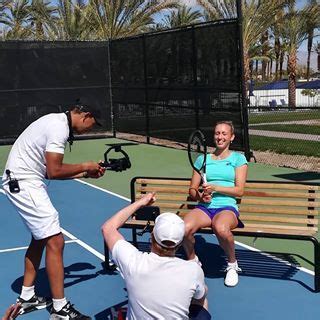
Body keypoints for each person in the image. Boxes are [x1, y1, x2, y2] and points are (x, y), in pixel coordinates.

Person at [2, 105, 106, 319]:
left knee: (41, 238)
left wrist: (86, 174)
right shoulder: (59, 128)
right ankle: (60, 310)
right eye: (92, 124)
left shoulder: (56, 122)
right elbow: (54, 170)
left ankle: (28, 296)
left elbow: (50, 173)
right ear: (86, 115)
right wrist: (86, 164)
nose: (90, 129)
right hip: (23, 182)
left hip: (25, 180)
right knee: (56, 241)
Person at [102, 193, 211, 320]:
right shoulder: (193, 270)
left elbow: (108, 228)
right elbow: (200, 296)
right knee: (202, 300)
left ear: (152, 236)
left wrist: (141, 203)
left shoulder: (134, 262)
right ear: (180, 243)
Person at [184, 121, 248, 287]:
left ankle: (232, 265)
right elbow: (192, 190)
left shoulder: (238, 159)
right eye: (217, 133)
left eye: (224, 134)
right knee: (183, 228)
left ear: (231, 137)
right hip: (205, 208)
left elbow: (239, 191)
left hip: (227, 207)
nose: (220, 137)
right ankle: (193, 262)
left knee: (220, 228)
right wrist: (200, 197)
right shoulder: (202, 159)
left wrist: (216, 188)